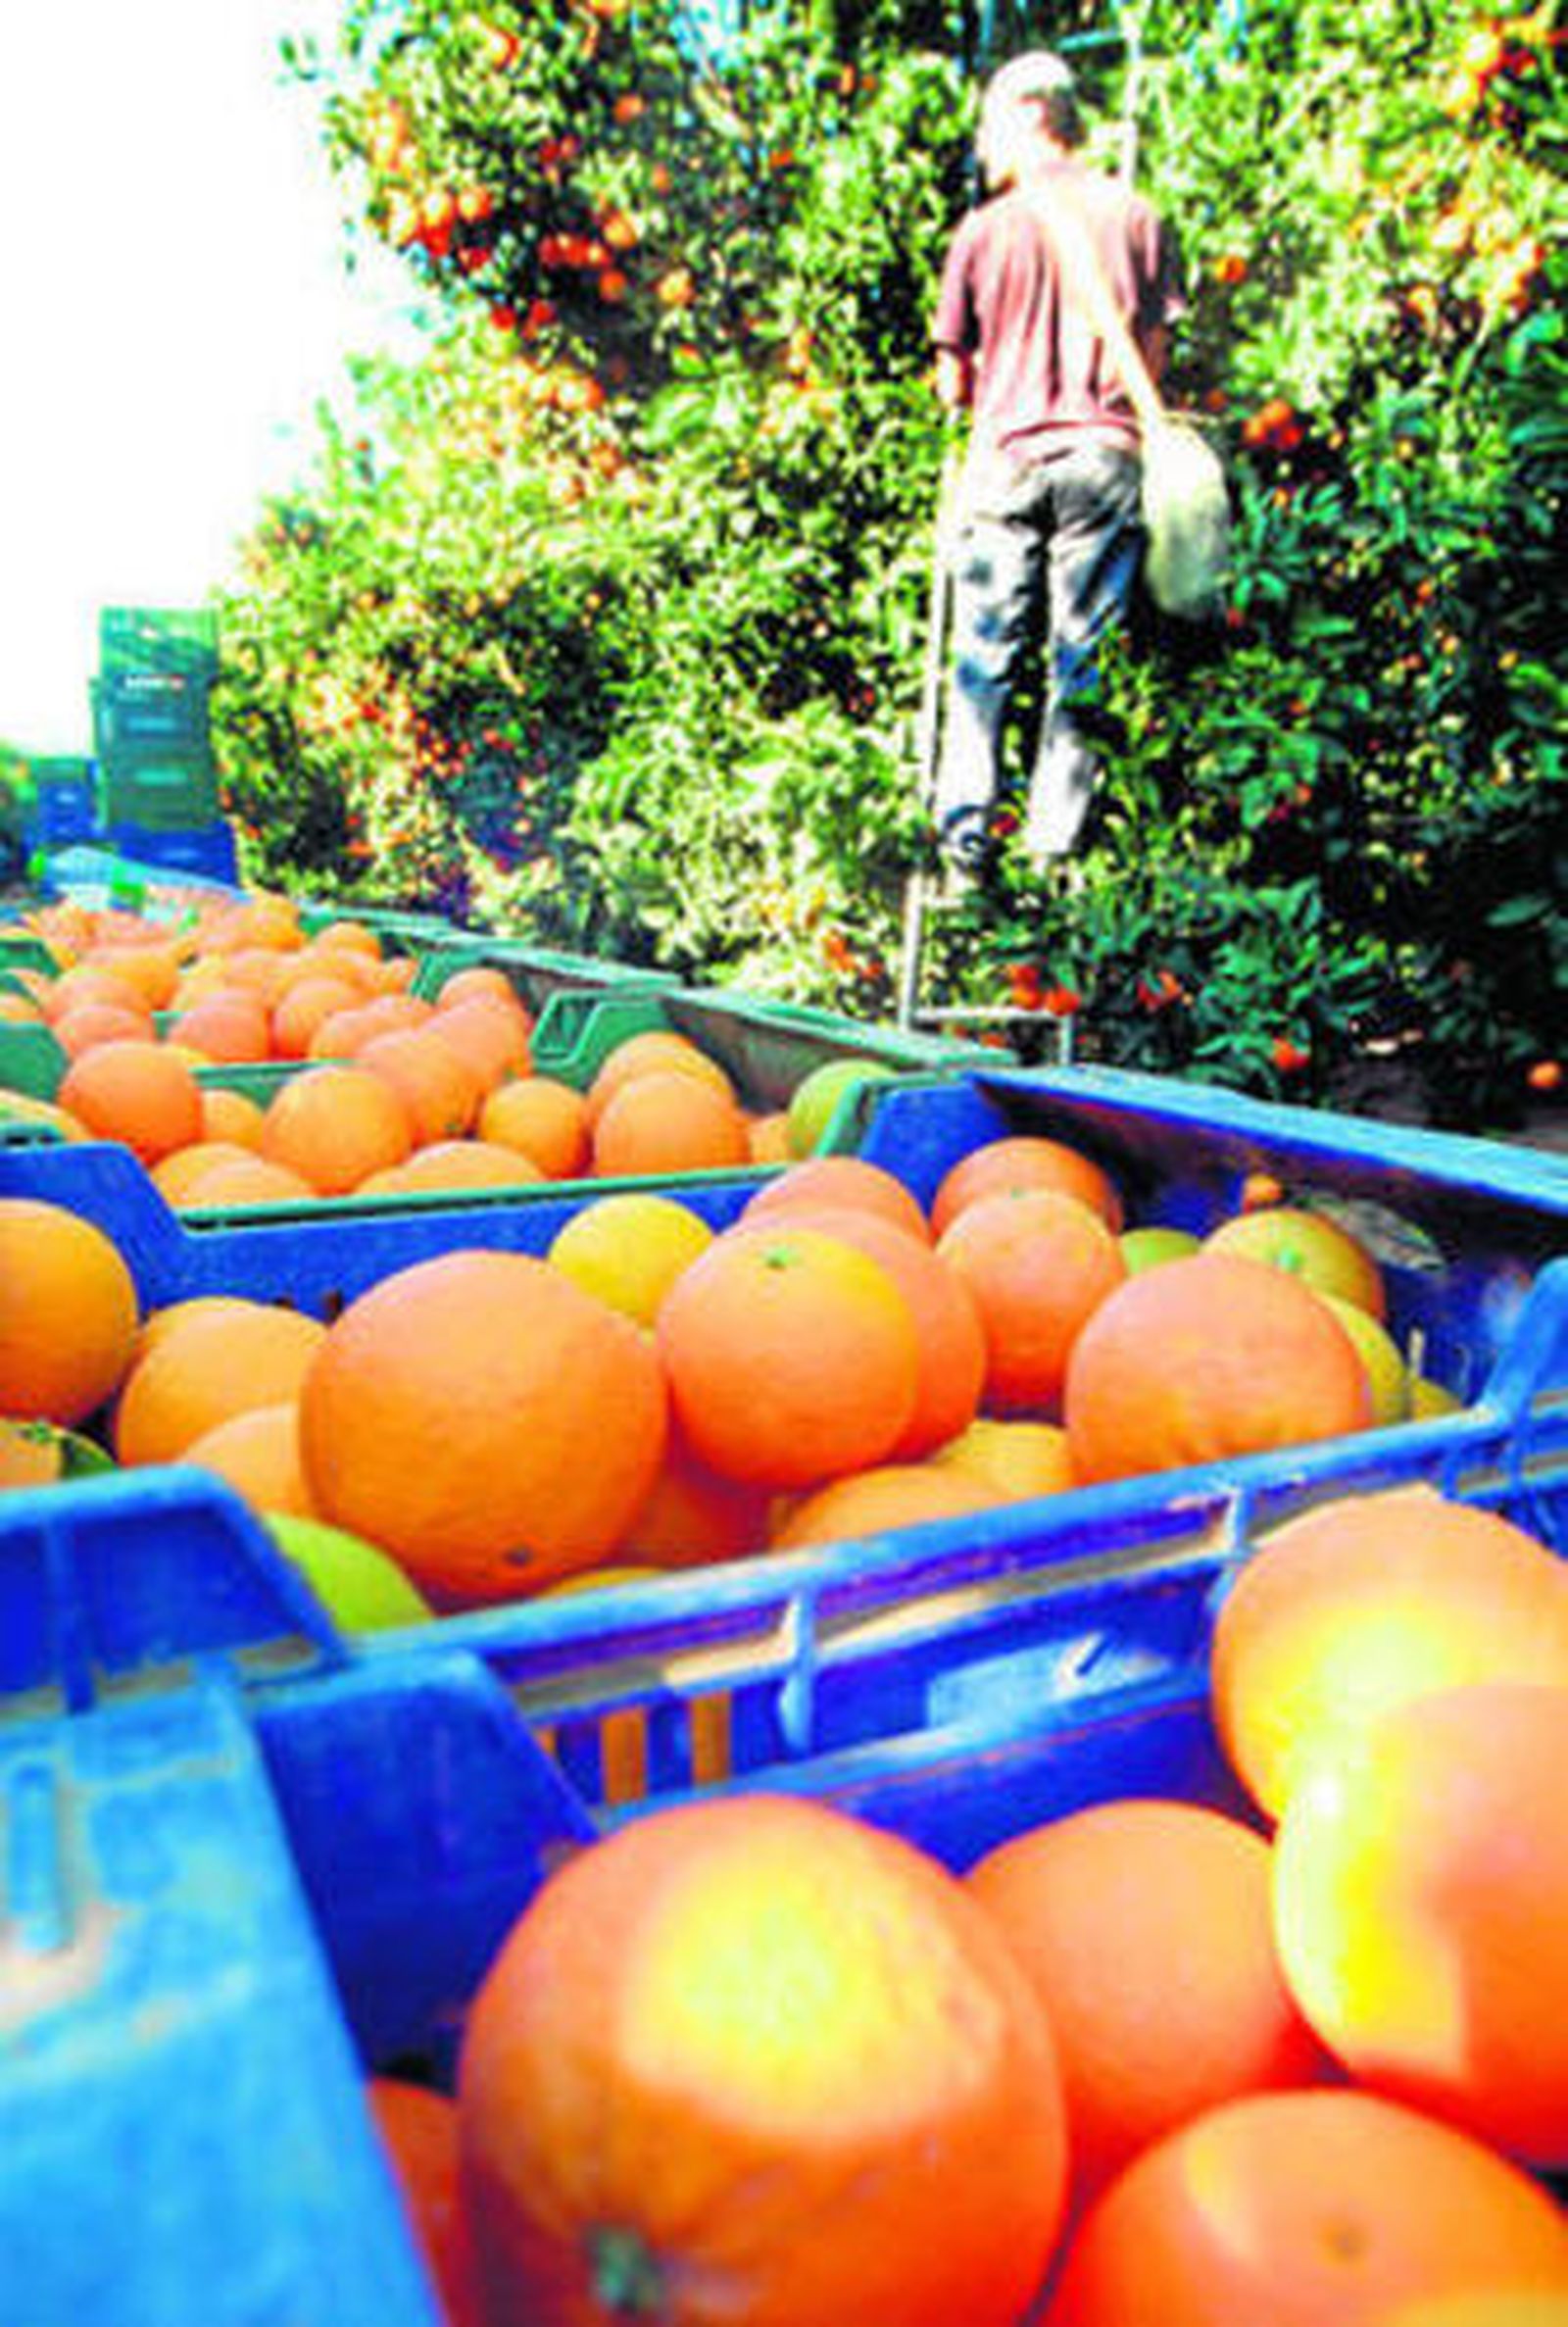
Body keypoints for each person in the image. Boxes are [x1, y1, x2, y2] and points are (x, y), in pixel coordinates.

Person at [929, 49, 1187, 879]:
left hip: (1007, 455)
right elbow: (1154, 356)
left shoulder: (983, 231)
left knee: (985, 647)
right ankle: (1056, 838)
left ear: (1027, 117)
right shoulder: (1138, 217)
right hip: (1105, 452)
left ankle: (966, 829)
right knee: (1083, 650)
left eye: (990, 129)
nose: (984, 149)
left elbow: (950, 385)